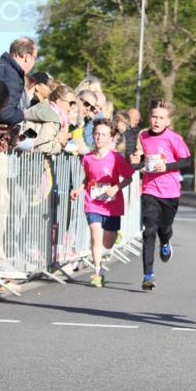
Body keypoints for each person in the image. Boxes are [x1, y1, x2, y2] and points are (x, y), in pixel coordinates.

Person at [130, 98, 191, 291]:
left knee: (164, 228)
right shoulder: (143, 137)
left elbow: (186, 161)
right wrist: (134, 162)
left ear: (168, 121)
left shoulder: (174, 139)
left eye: (161, 118)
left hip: (170, 192)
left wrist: (167, 166)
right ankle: (148, 275)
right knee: (149, 231)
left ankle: (165, 242)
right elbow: (141, 162)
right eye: (154, 116)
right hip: (150, 189)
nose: (156, 121)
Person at [70, 119, 134, 287]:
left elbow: (129, 177)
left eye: (103, 135)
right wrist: (79, 189)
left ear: (110, 138)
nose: (99, 137)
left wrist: (116, 188)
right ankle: (97, 272)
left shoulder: (116, 158)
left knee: (108, 243)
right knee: (95, 234)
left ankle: (115, 233)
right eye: (97, 133)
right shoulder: (88, 158)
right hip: (93, 202)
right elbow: (88, 178)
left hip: (112, 204)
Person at [0, 37, 38, 125]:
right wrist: (22, 114)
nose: (34, 62)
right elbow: (5, 114)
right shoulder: (11, 75)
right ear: (27, 57)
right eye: (34, 58)